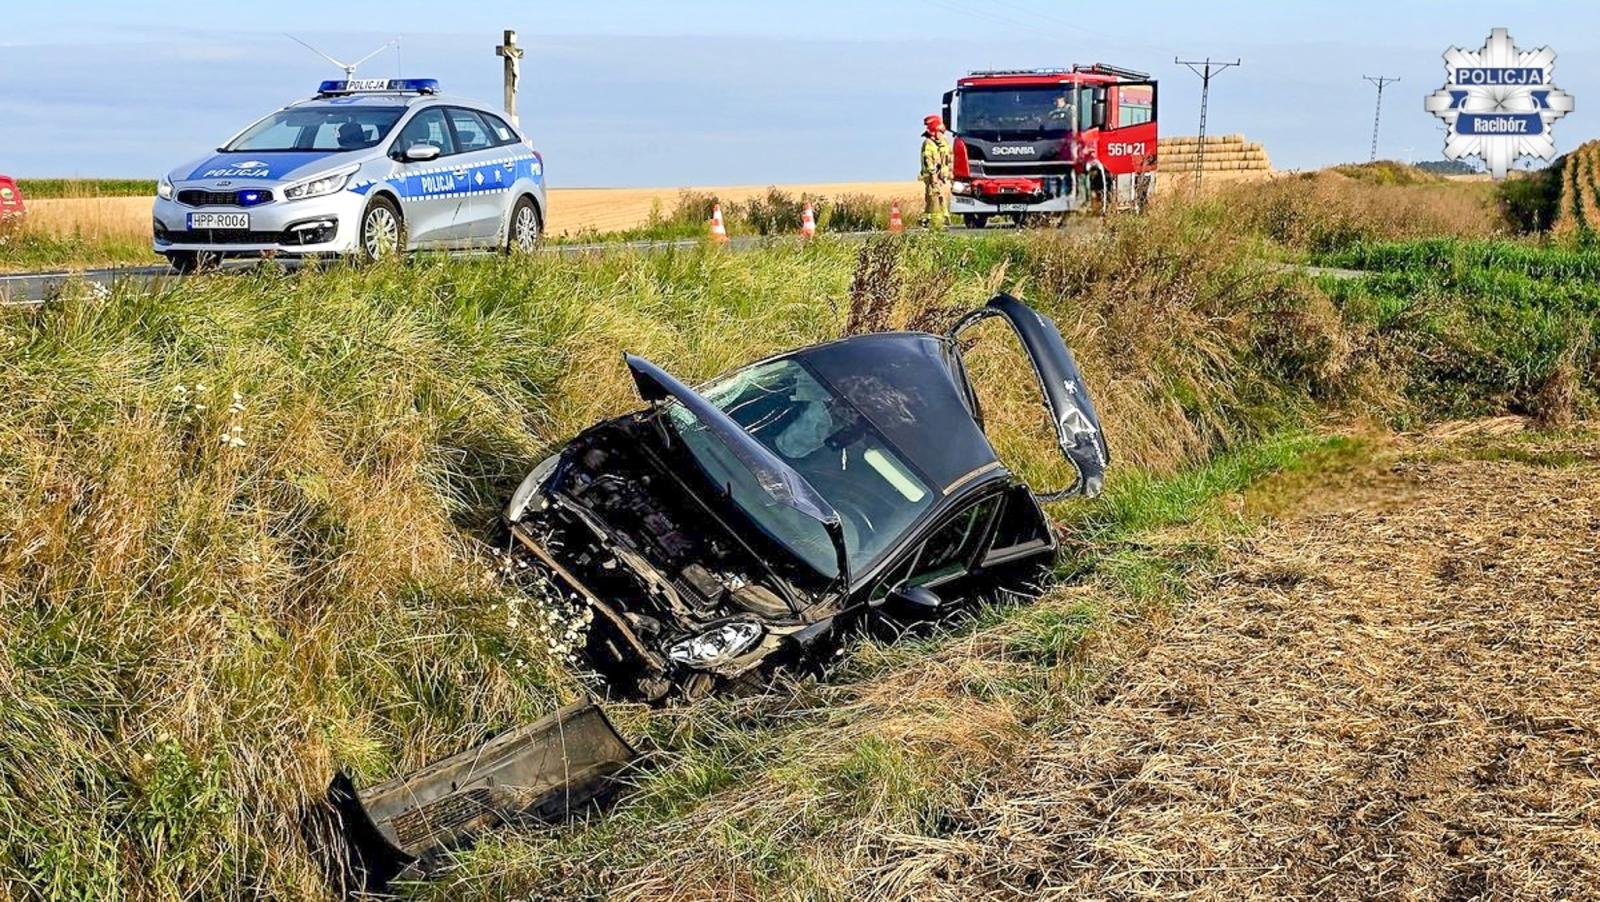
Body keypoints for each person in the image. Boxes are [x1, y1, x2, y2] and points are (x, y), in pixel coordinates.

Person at [919, 115, 953, 230]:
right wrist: (933, 174)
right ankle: (937, 221)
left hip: (938, 176)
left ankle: (930, 219)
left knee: (935, 196)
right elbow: (928, 160)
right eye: (940, 131)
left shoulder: (941, 143)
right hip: (931, 176)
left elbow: (947, 158)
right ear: (934, 131)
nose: (942, 134)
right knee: (935, 196)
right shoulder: (928, 143)